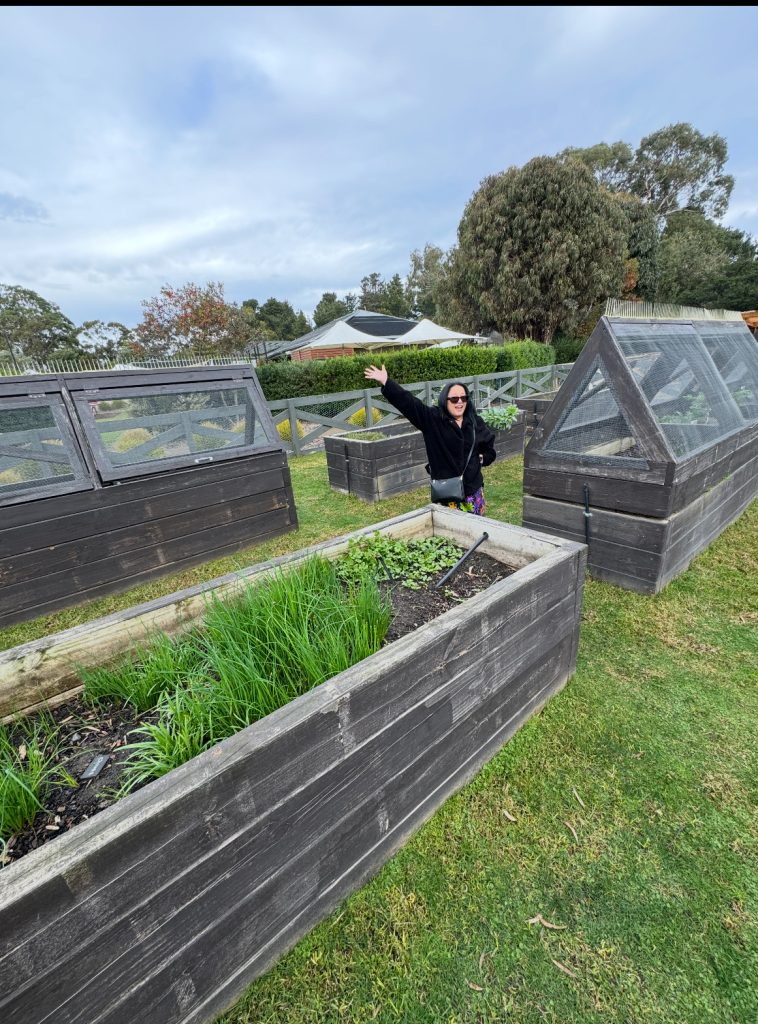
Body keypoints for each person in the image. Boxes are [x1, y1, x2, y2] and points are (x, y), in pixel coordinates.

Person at [363, 364, 496, 515]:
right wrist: (387, 382)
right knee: (450, 533)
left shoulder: (475, 422)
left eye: (463, 398)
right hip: (448, 493)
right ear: (445, 400)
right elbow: (410, 404)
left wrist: (482, 459)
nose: (460, 402)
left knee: (477, 529)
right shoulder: (433, 419)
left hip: (474, 490)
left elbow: (490, 450)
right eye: (454, 399)